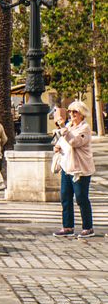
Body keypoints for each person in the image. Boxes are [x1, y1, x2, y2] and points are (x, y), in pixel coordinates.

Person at [54, 100, 95, 237]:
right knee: (65, 197)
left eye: (75, 112)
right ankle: (67, 227)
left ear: (82, 114)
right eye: (70, 111)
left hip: (80, 170)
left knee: (81, 198)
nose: (72, 114)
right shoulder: (69, 126)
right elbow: (63, 141)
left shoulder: (85, 128)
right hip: (67, 168)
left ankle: (88, 227)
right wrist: (58, 146)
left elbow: (75, 142)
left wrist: (63, 129)